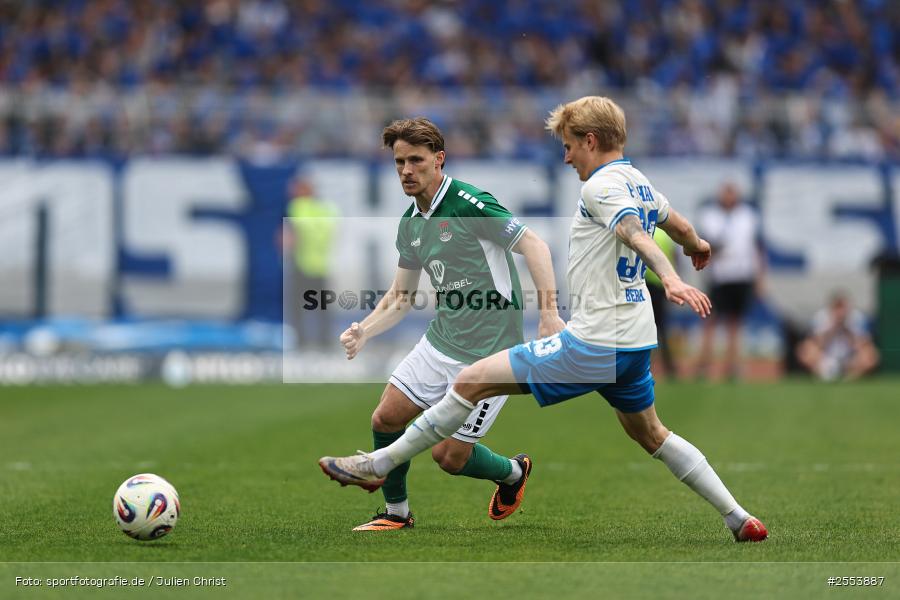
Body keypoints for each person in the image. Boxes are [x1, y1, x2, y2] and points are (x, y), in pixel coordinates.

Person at [319, 97, 768, 543]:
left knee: (469, 390)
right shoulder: (639, 181)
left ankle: (379, 465)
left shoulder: (597, 188)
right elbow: (678, 225)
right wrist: (696, 245)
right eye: (399, 162)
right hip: (633, 343)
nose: (566, 156)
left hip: (592, 341)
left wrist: (667, 276)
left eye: (570, 145)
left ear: (590, 140)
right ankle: (739, 518)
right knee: (652, 434)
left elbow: (629, 231)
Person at [327, 117, 565, 531]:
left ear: (439, 160)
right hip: (441, 342)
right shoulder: (411, 224)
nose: (406, 171)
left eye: (415, 160)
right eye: (399, 162)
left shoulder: (469, 204)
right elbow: (401, 296)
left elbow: (535, 244)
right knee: (385, 418)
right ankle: (396, 514)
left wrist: (548, 314)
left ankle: (512, 472)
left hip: (491, 353)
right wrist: (364, 329)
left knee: (449, 458)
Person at [695, 182, 765, 379]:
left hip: (742, 274)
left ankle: (732, 365)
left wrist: (759, 277)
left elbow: (756, 247)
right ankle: (704, 364)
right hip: (720, 274)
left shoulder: (748, 216)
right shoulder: (710, 215)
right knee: (711, 320)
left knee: (735, 322)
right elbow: (705, 243)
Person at [282, 174, 339, 349]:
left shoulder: (297, 207)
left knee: (298, 307)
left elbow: (289, 238)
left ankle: (301, 343)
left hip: (301, 264)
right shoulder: (328, 209)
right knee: (322, 308)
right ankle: (325, 342)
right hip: (321, 265)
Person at [796, 292, 879, 381]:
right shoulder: (820, 317)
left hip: (850, 358)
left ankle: (851, 378)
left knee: (870, 353)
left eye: (842, 308)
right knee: (806, 350)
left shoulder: (857, 317)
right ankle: (823, 375)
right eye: (837, 308)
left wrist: (846, 329)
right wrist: (833, 327)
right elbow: (817, 343)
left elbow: (861, 344)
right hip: (826, 357)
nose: (840, 312)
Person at [645, 226, 678, 378]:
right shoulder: (664, 235)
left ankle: (644, 365)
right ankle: (669, 367)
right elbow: (673, 258)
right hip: (661, 286)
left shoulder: (642, 230)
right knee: (661, 328)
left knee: (642, 328)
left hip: (642, 285)